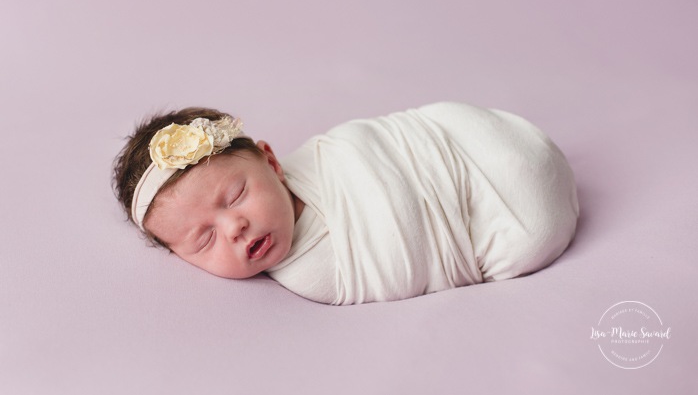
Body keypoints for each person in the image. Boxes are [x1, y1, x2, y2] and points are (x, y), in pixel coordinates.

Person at [112, 102, 579, 305]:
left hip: (451, 143)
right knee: (532, 233)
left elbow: (383, 145)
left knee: (474, 134)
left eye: (235, 195)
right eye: (204, 239)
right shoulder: (317, 273)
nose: (233, 227)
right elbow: (405, 257)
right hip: (497, 215)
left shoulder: (324, 159)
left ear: (272, 162)